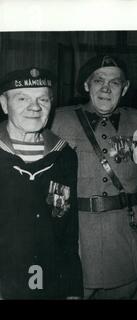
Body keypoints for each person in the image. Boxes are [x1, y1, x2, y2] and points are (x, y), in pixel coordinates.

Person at [52, 55, 137, 299]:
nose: (106, 88)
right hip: (77, 241)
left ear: (125, 87)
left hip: (125, 242)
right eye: (98, 80)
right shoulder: (57, 121)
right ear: (87, 85)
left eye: (115, 82)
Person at [0, 67, 82, 299]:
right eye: (22, 98)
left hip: (50, 284)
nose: (34, 107)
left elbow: (67, 227)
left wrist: (72, 289)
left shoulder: (64, 155)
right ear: (4, 104)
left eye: (42, 99)